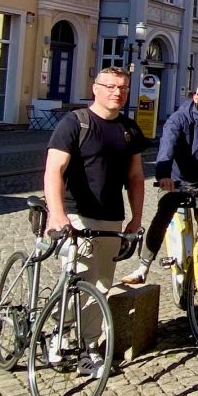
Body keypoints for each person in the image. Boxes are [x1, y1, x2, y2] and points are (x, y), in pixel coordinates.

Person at [43, 67, 147, 376]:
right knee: (80, 278)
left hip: (112, 219)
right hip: (78, 215)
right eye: (112, 86)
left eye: (123, 88)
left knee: (101, 286)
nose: (118, 92)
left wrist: (136, 218)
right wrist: (58, 214)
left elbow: (136, 178)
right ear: (96, 88)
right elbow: (53, 171)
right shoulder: (74, 123)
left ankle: (89, 346)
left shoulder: (129, 129)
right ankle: (61, 339)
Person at [121, 81, 198, 285]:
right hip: (176, 180)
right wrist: (163, 175)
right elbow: (167, 147)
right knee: (162, 217)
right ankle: (143, 266)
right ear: (195, 97)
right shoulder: (178, 119)